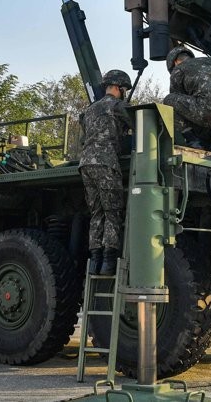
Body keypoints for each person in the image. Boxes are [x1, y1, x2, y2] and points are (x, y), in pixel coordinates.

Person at [79, 69, 132, 276]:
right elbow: (139, 124)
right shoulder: (118, 106)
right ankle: (108, 263)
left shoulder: (90, 110)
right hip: (106, 163)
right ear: (118, 88)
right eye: (123, 89)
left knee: (97, 213)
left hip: (86, 164)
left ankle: (94, 262)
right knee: (113, 212)